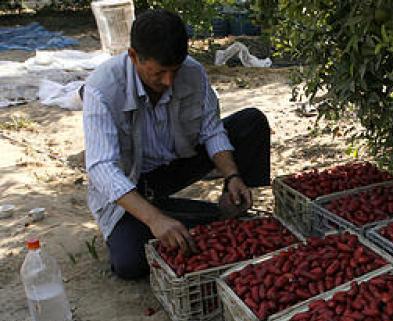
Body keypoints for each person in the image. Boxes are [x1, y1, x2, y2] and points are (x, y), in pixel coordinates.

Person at [82, 8, 270, 280]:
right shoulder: (103, 89)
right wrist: (154, 219)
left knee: (251, 122)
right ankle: (168, 212)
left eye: (175, 70)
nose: (169, 81)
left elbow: (211, 131)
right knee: (131, 262)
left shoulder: (193, 73)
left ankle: (234, 203)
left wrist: (232, 175)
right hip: (132, 181)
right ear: (134, 56)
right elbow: (101, 168)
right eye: (159, 73)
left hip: (177, 163)